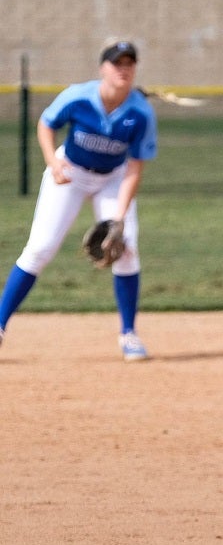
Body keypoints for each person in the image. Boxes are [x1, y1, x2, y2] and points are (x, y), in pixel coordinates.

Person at [0, 39, 158, 361]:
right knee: (40, 248)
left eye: (129, 64)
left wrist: (119, 216)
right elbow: (46, 124)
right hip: (70, 172)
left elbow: (134, 168)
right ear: (103, 68)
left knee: (126, 249)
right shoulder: (78, 96)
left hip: (113, 179)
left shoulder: (141, 112)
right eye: (117, 63)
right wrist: (53, 162)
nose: (123, 69)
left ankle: (129, 334)